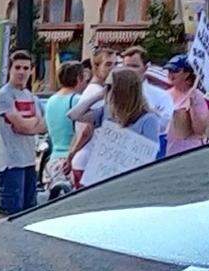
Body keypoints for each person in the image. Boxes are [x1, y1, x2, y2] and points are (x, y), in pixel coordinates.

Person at [71, 68, 164, 183]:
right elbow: (74, 115)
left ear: (121, 90)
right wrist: (99, 95)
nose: (106, 90)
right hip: (105, 176)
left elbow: (150, 154)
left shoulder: (148, 119)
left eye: (109, 86)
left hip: (129, 178)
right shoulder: (107, 112)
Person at [0, 50, 47, 216]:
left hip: (29, 161)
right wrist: (32, 124)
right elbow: (21, 125)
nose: (22, 72)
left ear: (31, 70)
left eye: (25, 68)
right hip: (10, 163)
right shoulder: (4, 95)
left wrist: (29, 126)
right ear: (10, 69)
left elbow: (44, 126)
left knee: (29, 211)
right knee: (9, 212)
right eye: (17, 67)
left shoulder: (31, 96)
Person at [65, 48, 117, 185]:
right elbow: (85, 131)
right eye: (108, 64)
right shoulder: (96, 93)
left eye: (115, 64)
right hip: (88, 161)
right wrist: (71, 155)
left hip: (90, 161)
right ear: (95, 66)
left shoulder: (95, 92)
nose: (112, 69)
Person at [42, 61, 85, 187]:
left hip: (53, 159)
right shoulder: (77, 100)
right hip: (70, 161)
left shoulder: (51, 101)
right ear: (78, 78)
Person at [120, 46, 174, 135]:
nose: (129, 70)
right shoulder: (115, 94)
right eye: (126, 66)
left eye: (134, 66)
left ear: (146, 67)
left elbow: (165, 125)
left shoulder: (161, 96)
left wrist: (148, 113)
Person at [164, 54, 209, 155]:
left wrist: (192, 104)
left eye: (175, 71)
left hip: (188, 153)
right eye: (169, 71)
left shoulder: (196, 96)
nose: (170, 75)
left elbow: (200, 131)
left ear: (186, 74)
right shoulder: (165, 94)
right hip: (168, 153)